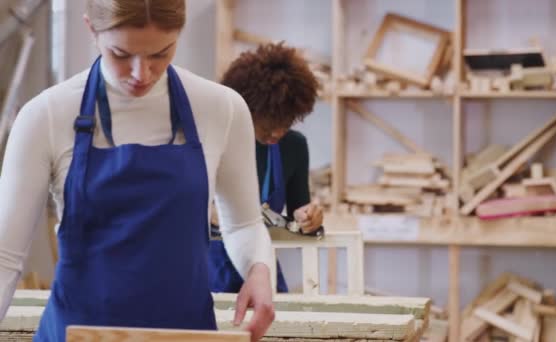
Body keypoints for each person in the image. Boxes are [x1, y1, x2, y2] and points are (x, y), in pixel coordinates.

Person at [0, 0, 274, 341]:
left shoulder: (222, 108)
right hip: (76, 334)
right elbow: (5, 256)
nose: (140, 73)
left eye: (160, 54)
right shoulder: (46, 116)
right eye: (121, 54)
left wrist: (258, 270)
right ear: (92, 30)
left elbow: (244, 224)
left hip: (185, 334)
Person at [208, 43, 324, 293]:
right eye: (270, 122)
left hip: (260, 269)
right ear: (246, 107)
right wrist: (206, 212)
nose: (278, 132)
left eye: (287, 121)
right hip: (206, 272)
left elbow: (296, 216)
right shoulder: (212, 138)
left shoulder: (292, 146)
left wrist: (309, 218)